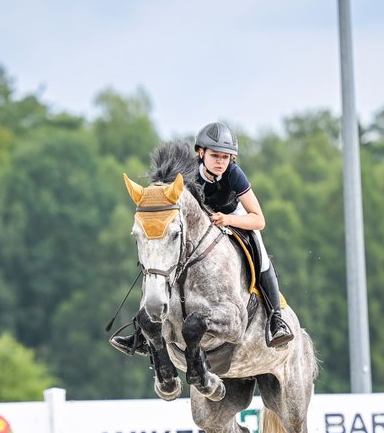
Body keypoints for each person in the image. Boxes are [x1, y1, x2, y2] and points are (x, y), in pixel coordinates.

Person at [111, 121, 294, 355]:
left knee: (260, 248)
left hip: (234, 217)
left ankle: (275, 319)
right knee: (161, 259)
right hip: (200, 226)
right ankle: (142, 332)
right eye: (215, 155)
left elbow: (258, 219)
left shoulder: (234, 175)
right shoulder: (187, 175)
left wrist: (228, 220)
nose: (220, 162)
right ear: (201, 152)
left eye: (225, 157)